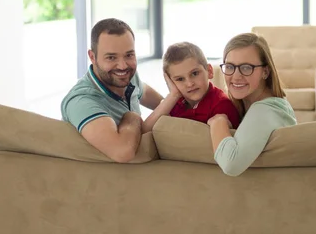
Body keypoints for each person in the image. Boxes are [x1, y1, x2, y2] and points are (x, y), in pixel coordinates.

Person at [61, 18, 164, 163]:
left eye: (129, 55)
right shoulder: (81, 101)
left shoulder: (128, 78)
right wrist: (132, 118)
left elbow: (147, 94)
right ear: (92, 57)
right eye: (111, 57)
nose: (122, 66)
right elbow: (122, 152)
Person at [208, 33, 297, 176]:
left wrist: (218, 121)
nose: (236, 76)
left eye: (246, 67)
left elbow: (232, 165)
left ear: (265, 72)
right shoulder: (253, 105)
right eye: (230, 67)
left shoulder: (266, 110)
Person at [141, 42, 241, 132]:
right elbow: (145, 131)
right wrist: (173, 95)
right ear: (170, 82)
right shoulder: (174, 102)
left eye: (194, 73)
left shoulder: (222, 105)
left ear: (209, 71)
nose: (189, 84)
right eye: (180, 79)